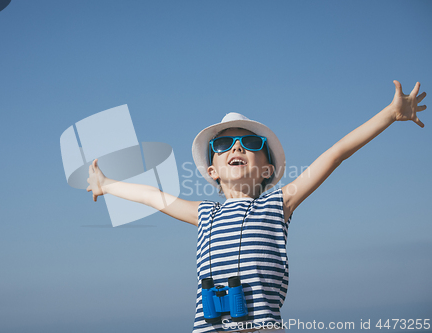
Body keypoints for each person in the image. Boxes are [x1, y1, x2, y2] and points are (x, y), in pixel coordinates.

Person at [86, 81, 426, 333]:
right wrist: (106, 184)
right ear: (212, 172)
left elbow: (335, 154)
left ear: (266, 170)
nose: (237, 147)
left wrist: (389, 114)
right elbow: (152, 196)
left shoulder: (279, 204)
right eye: (223, 144)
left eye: (250, 143)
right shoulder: (204, 213)